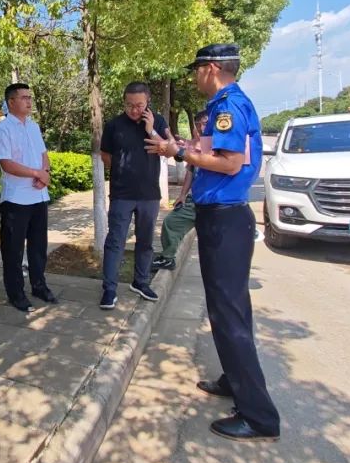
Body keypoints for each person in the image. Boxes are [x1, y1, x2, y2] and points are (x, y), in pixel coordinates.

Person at [146, 43, 281, 442]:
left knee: (229, 313)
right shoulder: (232, 104)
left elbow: (229, 163)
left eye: (196, 71)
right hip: (222, 215)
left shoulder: (227, 107)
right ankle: (235, 379)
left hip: (224, 217)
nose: (193, 78)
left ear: (211, 69)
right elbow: (213, 152)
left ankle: (258, 416)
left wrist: (179, 154)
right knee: (229, 308)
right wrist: (181, 149)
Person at [98, 81, 169, 310]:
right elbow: (105, 155)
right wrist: (122, 172)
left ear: (148, 102)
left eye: (139, 105)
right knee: (115, 242)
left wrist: (151, 130)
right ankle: (109, 289)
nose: (134, 110)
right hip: (122, 194)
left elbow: (170, 148)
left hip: (149, 194)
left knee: (145, 242)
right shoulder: (114, 125)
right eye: (129, 105)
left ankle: (141, 282)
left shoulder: (157, 121)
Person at [0, 82, 58, 312]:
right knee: (13, 250)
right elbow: (6, 164)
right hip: (15, 200)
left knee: (38, 247)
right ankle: (16, 293)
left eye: (30, 97)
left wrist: (45, 174)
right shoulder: (3, 129)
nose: (29, 101)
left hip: (38, 196)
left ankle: (39, 285)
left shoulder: (33, 127)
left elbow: (43, 154)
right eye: (24, 97)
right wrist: (36, 173)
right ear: (11, 102)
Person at [152, 110, 208, 272]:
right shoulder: (196, 145)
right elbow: (191, 171)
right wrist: (182, 195)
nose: (202, 127)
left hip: (215, 203)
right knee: (171, 222)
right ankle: (168, 258)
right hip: (195, 201)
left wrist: (185, 150)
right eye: (199, 125)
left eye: (205, 123)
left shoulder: (218, 144)